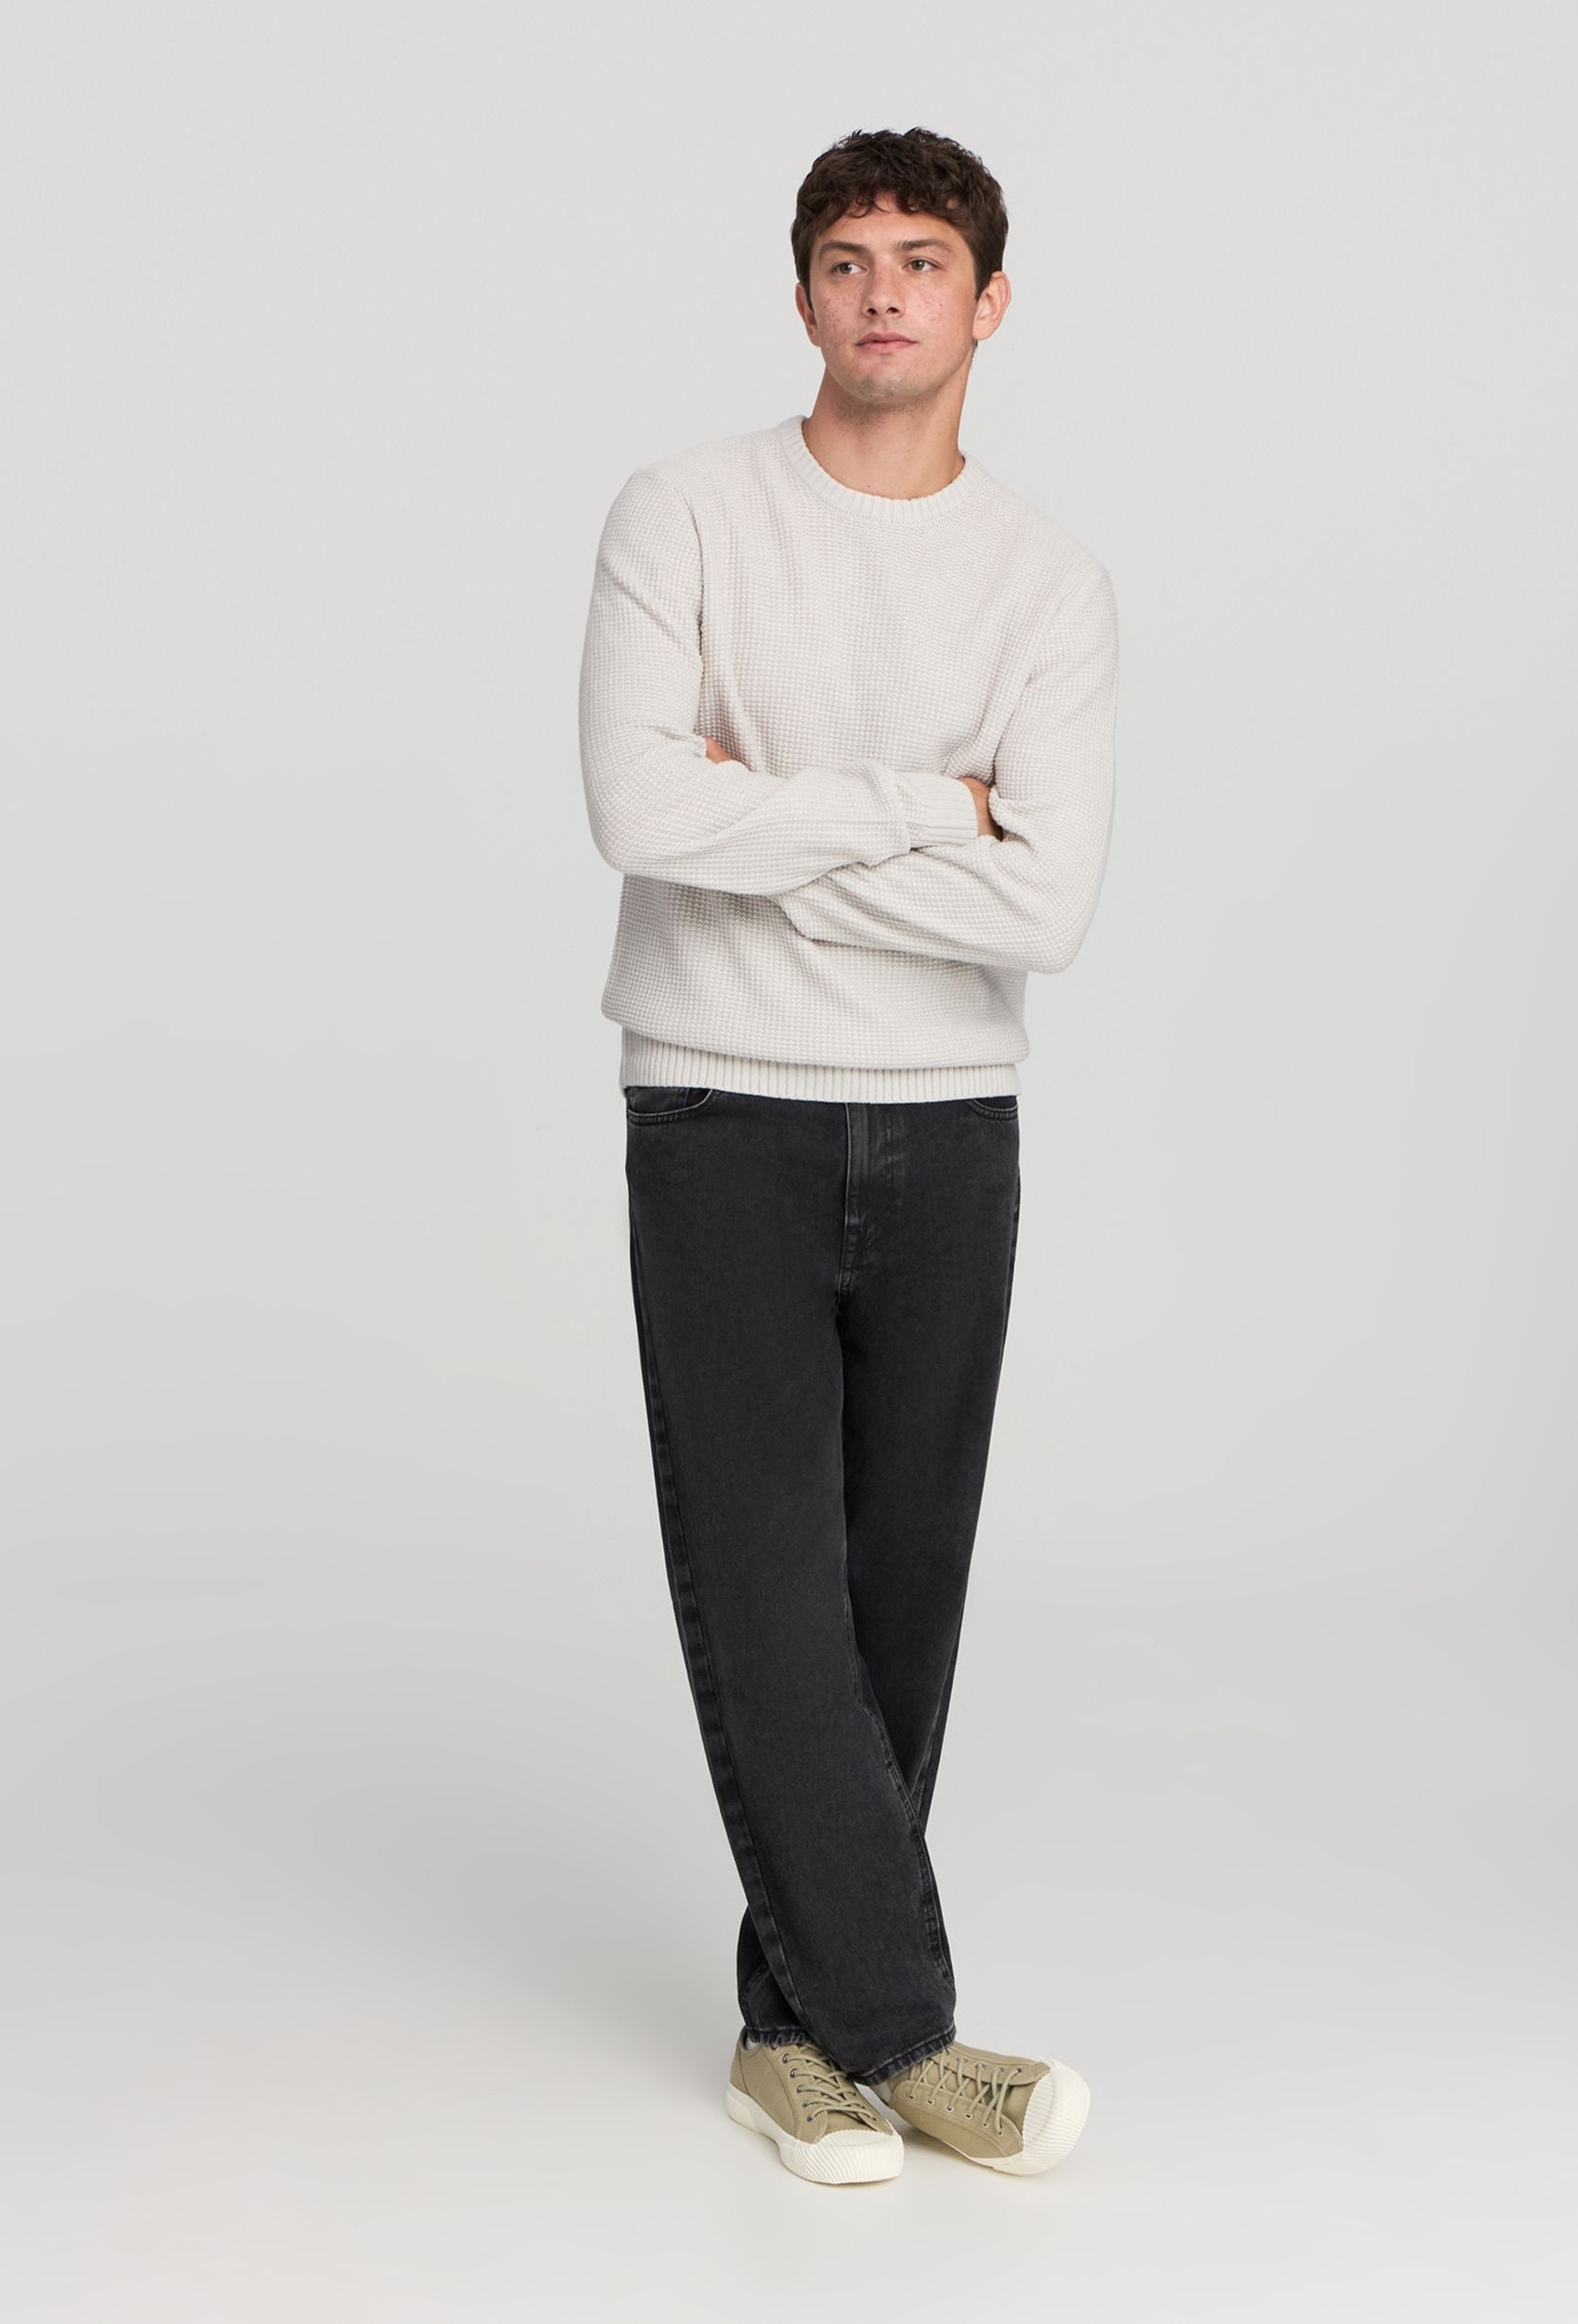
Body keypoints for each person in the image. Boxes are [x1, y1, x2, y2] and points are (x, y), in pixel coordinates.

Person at [577, 125, 1117, 2182]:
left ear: (990, 301)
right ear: (801, 294)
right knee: (767, 1584)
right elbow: (642, 812)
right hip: (720, 1104)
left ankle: (785, 2029)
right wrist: (930, 810)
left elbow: (1045, 906)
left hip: (953, 1123)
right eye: (844, 259)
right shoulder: (687, 514)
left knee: (901, 1588)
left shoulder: (1044, 580)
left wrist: (778, 816)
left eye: (922, 259)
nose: (882, 291)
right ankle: (906, 2032)